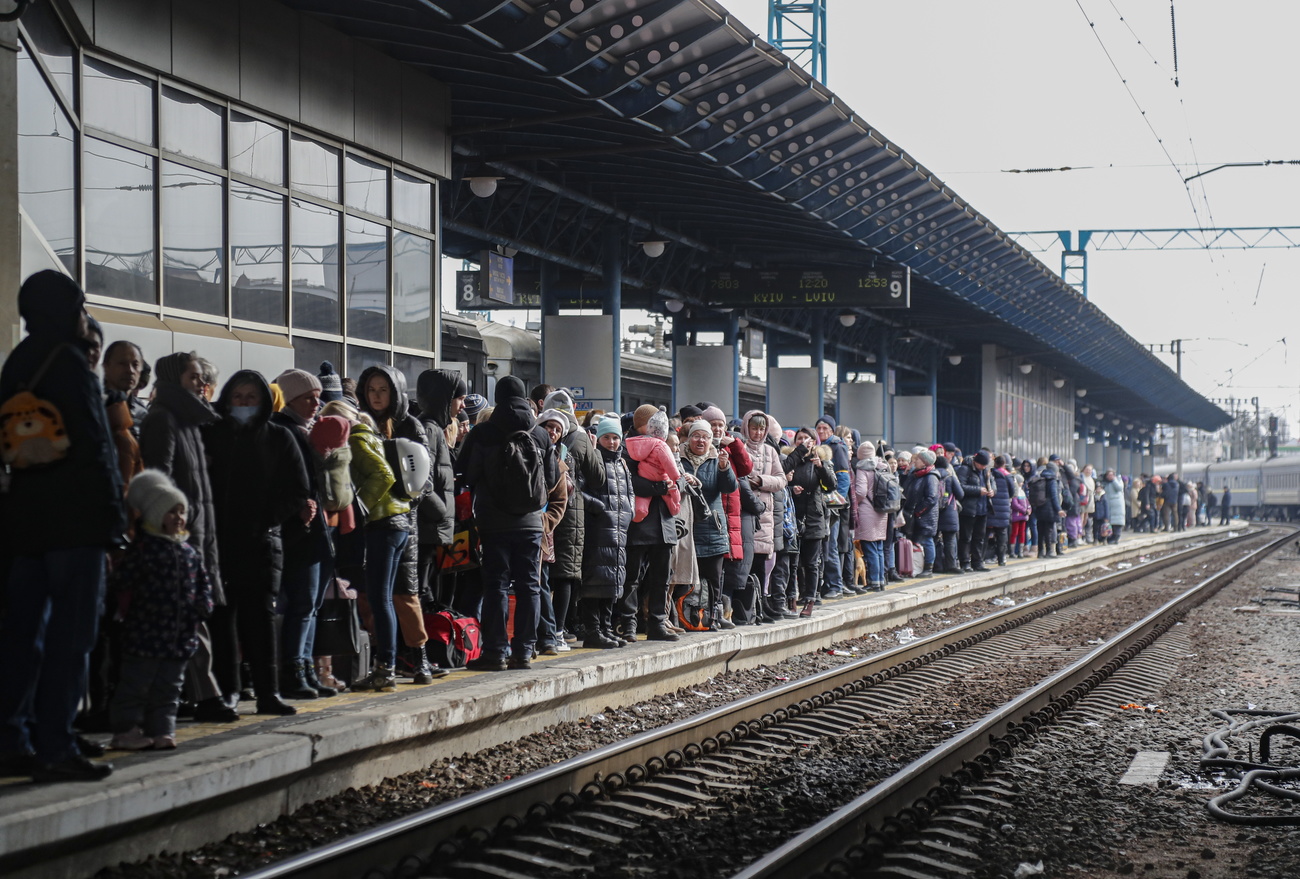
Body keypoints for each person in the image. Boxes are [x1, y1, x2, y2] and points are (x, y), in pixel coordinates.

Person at [0, 272, 128, 782]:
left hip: (25, 526)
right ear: (71, 309)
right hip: (75, 526)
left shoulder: (19, 360)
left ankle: (14, 737)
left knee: (23, 636)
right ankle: (55, 746)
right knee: (70, 639)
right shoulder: (72, 362)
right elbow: (97, 447)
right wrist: (113, 524)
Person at [206, 370, 312, 715]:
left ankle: (268, 691)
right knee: (223, 619)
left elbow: (298, 489)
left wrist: (265, 519)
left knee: (261, 619)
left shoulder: (279, 438)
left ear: (264, 400)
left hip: (264, 542)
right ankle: (228, 689)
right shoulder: (212, 435)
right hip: (220, 542)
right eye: (238, 396)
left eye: (251, 397)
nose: (244, 403)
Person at [138, 351, 233, 723]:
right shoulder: (165, 419)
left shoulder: (189, 420)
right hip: (181, 536)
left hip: (196, 532)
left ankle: (183, 695)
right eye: (192, 376)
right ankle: (205, 694)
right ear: (174, 377)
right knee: (190, 616)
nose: (200, 383)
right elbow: (160, 477)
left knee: (191, 614)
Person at [108, 471, 214, 751]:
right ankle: (125, 729)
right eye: (171, 512)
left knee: (169, 687)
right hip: (145, 633)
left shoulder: (189, 552)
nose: (179, 518)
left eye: (182, 512)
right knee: (136, 685)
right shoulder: (143, 550)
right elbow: (123, 581)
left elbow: (204, 583)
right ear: (155, 516)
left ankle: (162, 729)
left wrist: (204, 605)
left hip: (179, 637)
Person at [458, 376, 558, 668]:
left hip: (493, 522)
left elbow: (465, 472)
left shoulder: (483, 432)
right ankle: (524, 651)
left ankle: (495, 651)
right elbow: (551, 480)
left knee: (496, 586)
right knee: (529, 584)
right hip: (530, 522)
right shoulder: (540, 435)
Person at [357, 365, 434, 681]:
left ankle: (420, 659)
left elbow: (424, 479)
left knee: (405, 594)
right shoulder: (360, 424)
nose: (376, 396)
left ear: (395, 392)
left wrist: (403, 500)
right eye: (371, 389)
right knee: (370, 596)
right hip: (368, 524)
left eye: (383, 389)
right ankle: (382, 660)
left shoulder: (410, 426)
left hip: (402, 524)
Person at [271, 369, 341, 698]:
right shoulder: (285, 430)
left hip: (317, 529)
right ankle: (294, 671)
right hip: (301, 531)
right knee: (302, 603)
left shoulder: (307, 430)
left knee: (312, 604)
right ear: (290, 399)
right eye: (308, 398)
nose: (317, 403)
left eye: (317, 397)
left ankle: (307, 670)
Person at [541, 389, 606, 650]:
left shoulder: (539, 432)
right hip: (570, 513)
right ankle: (558, 629)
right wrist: (594, 448)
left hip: (543, 512)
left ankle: (545, 630)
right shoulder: (580, 438)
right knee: (566, 574)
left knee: (544, 573)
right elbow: (598, 478)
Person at [616, 405, 682, 642]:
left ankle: (657, 622)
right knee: (632, 575)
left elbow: (677, 475)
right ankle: (628, 623)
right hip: (639, 520)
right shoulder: (629, 447)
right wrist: (661, 487)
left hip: (663, 520)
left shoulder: (661, 443)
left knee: (661, 576)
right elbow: (628, 481)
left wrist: (675, 485)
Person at [579, 417, 635, 648]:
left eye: (615, 438)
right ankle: (592, 629)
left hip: (618, 529)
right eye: (606, 438)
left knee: (612, 580)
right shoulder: (593, 459)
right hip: (598, 528)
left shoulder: (621, 463)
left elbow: (629, 492)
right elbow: (578, 487)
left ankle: (605, 627)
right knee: (595, 580)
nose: (611, 442)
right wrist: (597, 507)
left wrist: (629, 511)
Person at [679, 420, 738, 630]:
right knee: (687, 576)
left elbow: (729, 487)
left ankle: (714, 616)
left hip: (712, 527)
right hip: (686, 526)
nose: (700, 440)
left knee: (714, 576)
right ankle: (688, 616)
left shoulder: (716, 458)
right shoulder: (679, 457)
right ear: (689, 438)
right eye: (696, 436)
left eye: (705, 437)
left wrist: (724, 468)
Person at [414, 369, 464, 616]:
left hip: (434, 527)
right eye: (459, 398)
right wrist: (440, 511)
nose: (462, 405)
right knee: (425, 590)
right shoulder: (430, 429)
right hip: (429, 527)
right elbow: (423, 479)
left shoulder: (434, 427)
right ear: (444, 398)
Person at [785, 427, 836, 612]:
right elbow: (781, 482)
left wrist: (821, 467)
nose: (803, 441)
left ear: (814, 442)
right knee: (793, 561)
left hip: (814, 517)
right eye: (800, 438)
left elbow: (831, 485)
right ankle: (791, 597)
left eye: (807, 438)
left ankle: (810, 600)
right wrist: (791, 488)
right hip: (792, 517)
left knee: (812, 563)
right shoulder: (790, 460)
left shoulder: (821, 460)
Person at [850, 443, 889, 590]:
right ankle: (880, 581)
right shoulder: (881, 465)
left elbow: (861, 491)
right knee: (878, 547)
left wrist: (855, 502)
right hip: (881, 510)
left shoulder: (862, 468)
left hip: (867, 510)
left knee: (870, 547)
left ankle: (873, 582)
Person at [904, 449, 941, 577]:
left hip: (926, 515)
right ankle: (915, 567)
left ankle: (928, 568)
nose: (915, 462)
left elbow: (931, 498)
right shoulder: (916, 474)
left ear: (925, 463)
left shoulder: (931, 477)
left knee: (927, 540)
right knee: (917, 540)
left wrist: (919, 511)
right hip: (916, 514)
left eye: (918, 460)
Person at [955, 451, 994, 571]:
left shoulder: (986, 471)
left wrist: (993, 491)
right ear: (975, 462)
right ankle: (965, 562)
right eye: (981, 465)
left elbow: (992, 484)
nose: (983, 467)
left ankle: (977, 562)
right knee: (966, 537)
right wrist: (977, 490)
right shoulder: (964, 470)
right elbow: (960, 487)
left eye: (985, 465)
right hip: (969, 509)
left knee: (979, 537)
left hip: (983, 509)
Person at [933, 453, 964, 572]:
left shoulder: (932, 476)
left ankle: (937, 565)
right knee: (950, 539)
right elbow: (961, 494)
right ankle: (951, 566)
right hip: (949, 511)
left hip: (934, 512)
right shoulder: (950, 477)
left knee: (934, 539)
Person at [986, 455, 1015, 566]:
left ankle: (984, 557)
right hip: (1003, 508)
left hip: (991, 507)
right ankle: (1001, 558)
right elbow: (1012, 492)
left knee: (987, 532)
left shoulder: (990, 473)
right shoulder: (1008, 476)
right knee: (1002, 534)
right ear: (1004, 464)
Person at [1099, 469, 1126, 544]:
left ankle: (1116, 537)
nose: (1110, 477)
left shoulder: (1118, 480)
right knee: (1109, 523)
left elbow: (1119, 488)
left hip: (1117, 506)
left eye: (1112, 475)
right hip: (1108, 505)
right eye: (1108, 475)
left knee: (1117, 523)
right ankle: (1109, 538)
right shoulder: (1105, 483)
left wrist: (1114, 480)